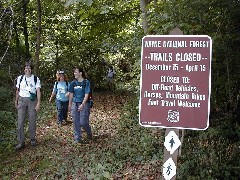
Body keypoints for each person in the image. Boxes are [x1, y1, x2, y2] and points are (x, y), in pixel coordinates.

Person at [15, 62, 41, 150]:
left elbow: (38, 90)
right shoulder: (20, 78)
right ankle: (21, 141)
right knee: (20, 121)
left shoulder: (35, 79)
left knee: (32, 120)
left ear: (31, 69)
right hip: (22, 100)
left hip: (32, 101)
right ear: (24, 69)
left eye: (29, 68)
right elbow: (17, 90)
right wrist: (16, 101)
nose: (28, 69)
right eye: (26, 68)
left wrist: (38, 103)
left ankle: (32, 139)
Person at [68, 67, 92, 143]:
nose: (74, 74)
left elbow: (87, 94)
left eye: (76, 72)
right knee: (75, 121)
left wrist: (82, 104)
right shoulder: (73, 83)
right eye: (74, 72)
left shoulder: (86, 82)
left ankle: (89, 132)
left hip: (84, 104)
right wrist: (70, 104)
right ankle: (78, 138)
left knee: (83, 122)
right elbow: (71, 94)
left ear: (80, 73)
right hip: (75, 103)